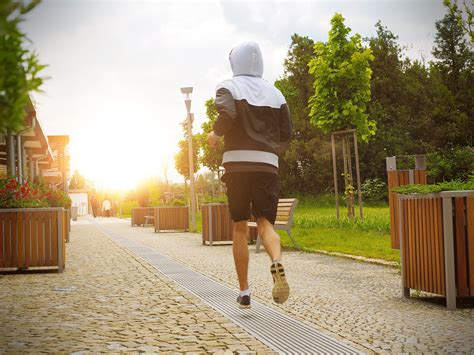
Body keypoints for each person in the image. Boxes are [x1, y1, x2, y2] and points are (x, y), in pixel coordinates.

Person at [208, 41, 292, 309]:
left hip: (237, 165)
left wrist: (215, 133)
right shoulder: (277, 94)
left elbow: (228, 113)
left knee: (240, 227)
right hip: (267, 164)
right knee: (266, 223)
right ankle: (276, 260)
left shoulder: (228, 87)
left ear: (235, 62)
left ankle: (244, 291)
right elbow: (286, 133)